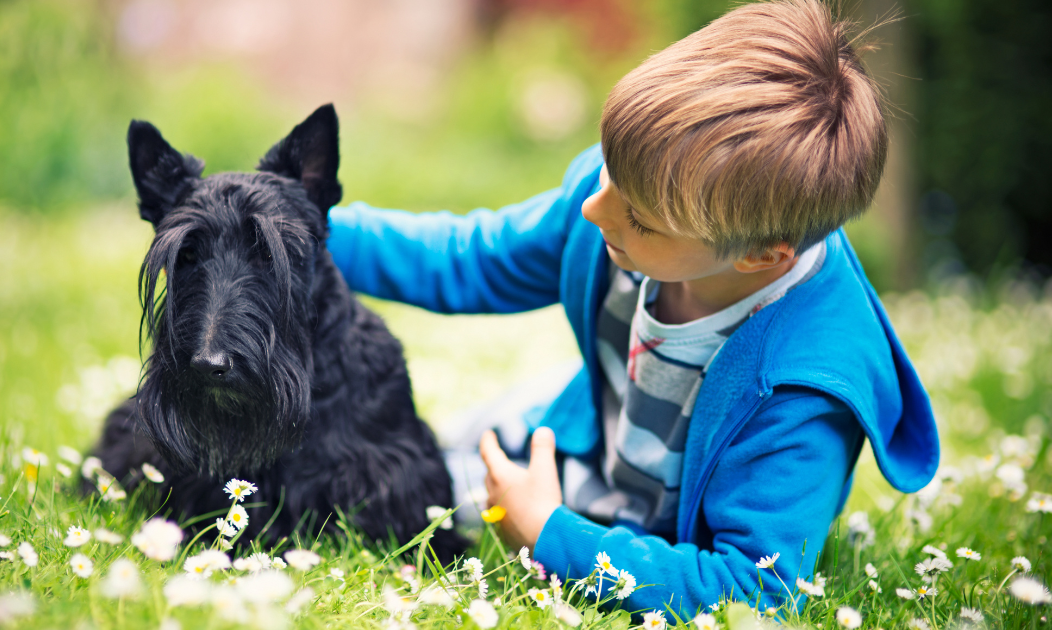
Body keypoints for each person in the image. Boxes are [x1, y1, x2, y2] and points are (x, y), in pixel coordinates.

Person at [326, 0, 938, 617]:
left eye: (639, 220)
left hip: (651, 537)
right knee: (401, 473)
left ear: (759, 256)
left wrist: (548, 534)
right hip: (579, 443)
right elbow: (472, 258)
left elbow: (758, 593)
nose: (594, 210)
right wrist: (305, 221)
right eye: (607, 170)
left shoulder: (806, 390)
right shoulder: (626, 195)